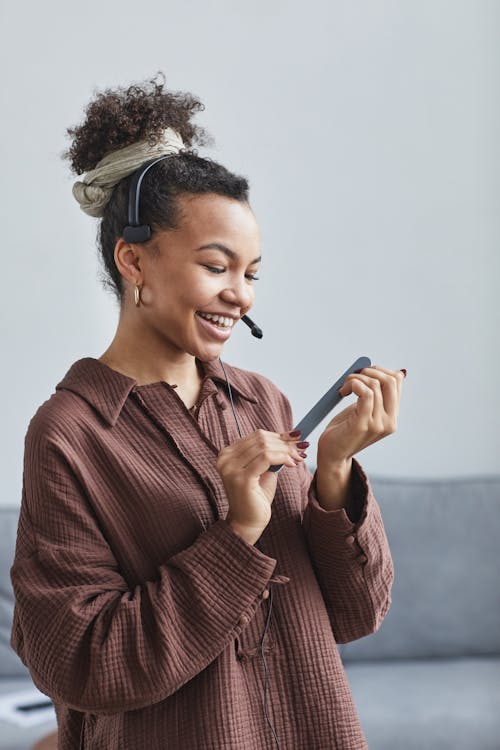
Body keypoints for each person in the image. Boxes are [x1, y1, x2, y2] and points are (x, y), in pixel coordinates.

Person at [10, 73, 404, 750]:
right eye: (218, 266)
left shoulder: (262, 401)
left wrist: (335, 469)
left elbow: (355, 613)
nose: (240, 295)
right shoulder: (70, 436)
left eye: (251, 273)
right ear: (134, 261)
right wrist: (236, 534)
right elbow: (82, 665)